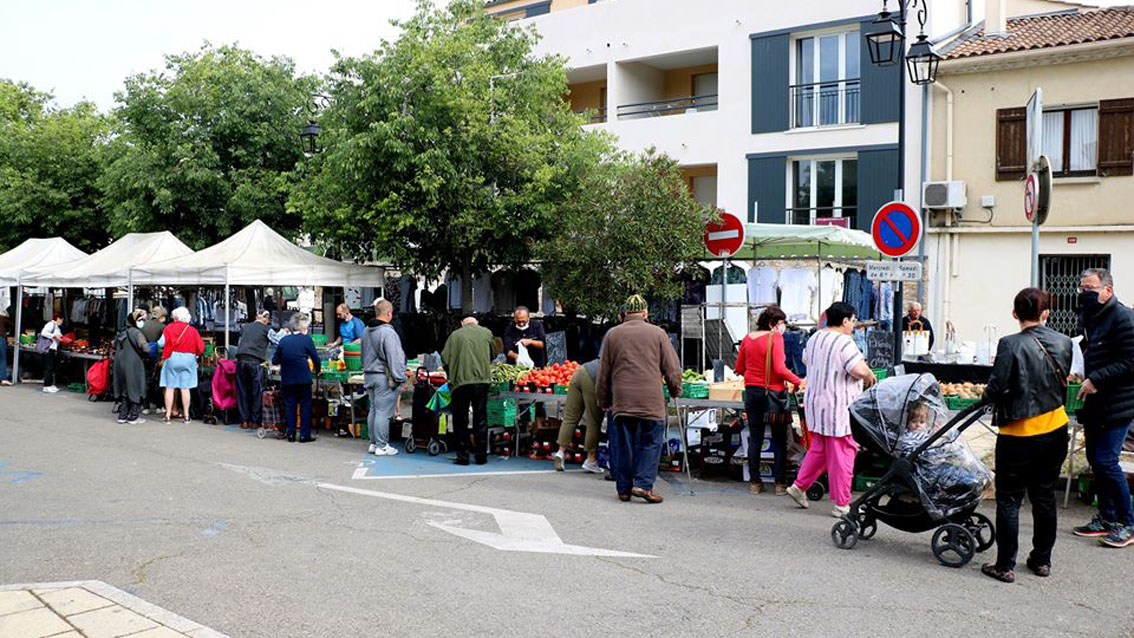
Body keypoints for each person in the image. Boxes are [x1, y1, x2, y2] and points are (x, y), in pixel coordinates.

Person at [976, 288, 1073, 582]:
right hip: (1055, 429)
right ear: (1046, 314)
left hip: (1017, 433)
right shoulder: (1065, 342)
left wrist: (987, 396)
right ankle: (1041, 560)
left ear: (1015, 313)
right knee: (1044, 497)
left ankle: (1005, 565)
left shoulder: (1009, 344)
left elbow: (997, 387)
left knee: (1009, 499)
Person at [786, 302, 876, 518]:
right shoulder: (844, 342)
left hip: (817, 404)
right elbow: (856, 368)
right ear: (845, 321)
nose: (853, 325)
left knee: (820, 450)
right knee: (843, 453)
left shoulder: (816, 337)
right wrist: (868, 375)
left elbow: (806, 359)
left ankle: (799, 487)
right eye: (853, 320)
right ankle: (842, 503)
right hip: (839, 407)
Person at [597, 294, 683, 504]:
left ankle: (624, 489)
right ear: (645, 313)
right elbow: (672, 368)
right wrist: (675, 390)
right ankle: (643, 485)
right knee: (650, 443)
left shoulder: (612, 335)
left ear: (625, 313)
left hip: (622, 401)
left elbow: (603, 372)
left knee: (622, 445)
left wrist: (603, 400)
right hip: (651, 401)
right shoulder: (658, 333)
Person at [1072, 268, 1134, 548]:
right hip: (1095, 402)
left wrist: (1096, 378)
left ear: (1108, 290)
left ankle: (1127, 523)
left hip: (1117, 403)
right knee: (1097, 462)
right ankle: (1106, 518)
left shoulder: (1124, 318)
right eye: (1082, 288)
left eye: (1091, 288)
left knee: (1108, 462)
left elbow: (1130, 362)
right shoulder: (1092, 316)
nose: (1085, 293)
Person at [734, 305, 803, 495]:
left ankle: (755, 483)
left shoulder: (748, 338)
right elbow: (780, 369)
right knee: (779, 439)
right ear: (773, 324)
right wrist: (799, 381)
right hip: (773, 395)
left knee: (755, 438)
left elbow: (739, 367)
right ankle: (780, 484)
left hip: (752, 393)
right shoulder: (776, 338)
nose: (784, 327)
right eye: (782, 323)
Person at [441, 317, 495, 465]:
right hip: (481, 381)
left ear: (462, 323)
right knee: (481, 418)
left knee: (460, 419)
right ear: (476, 322)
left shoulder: (455, 335)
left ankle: (463, 456)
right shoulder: (487, 333)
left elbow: (445, 358)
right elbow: (494, 354)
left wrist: (451, 373)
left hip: (461, 382)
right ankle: (481, 455)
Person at [362, 299, 407, 457]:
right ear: (389, 313)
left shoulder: (366, 330)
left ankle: (373, 443)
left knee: (373, 410)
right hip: (383, 377)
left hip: (369, 375)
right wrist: (401, 378)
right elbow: (394, 357)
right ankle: (382, 445)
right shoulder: (388, 332)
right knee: (383, 412)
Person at [272, 313, 321, 443]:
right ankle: (304, 435)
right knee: (305, 405)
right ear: (303, 327)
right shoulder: (307, 340)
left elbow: (275, 360)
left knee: (290, 406)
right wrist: (318, 369)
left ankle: (291, 434)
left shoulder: (283, 341)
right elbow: (315, 358)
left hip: (287, 378)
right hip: (303, 378)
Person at [552, 359, 604, 474]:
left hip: (580, 371)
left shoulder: (610, 350)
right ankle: (591, 460)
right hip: (593, 379)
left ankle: (560, 452)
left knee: (570, 417)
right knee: (593, 421)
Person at [160, 306, 205, 423]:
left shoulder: (169, 328)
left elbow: (161, 343)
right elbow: (201, 347)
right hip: (188, 359)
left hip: (172, 358)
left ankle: (168, 415)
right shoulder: (192, 330)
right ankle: (186, 416)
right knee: (185, 388)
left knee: (170, 387)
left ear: (175, 317)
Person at [235, 310, 272, 430]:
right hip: (255, 361)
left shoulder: (245, 327)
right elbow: (278, 340)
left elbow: (239, 343)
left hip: (241, 360)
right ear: (266, 319)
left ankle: (244, 420)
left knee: (242, 390)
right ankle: (255, 421)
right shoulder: (267, 329)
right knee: (257, 391)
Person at [114, 309, 151, 425]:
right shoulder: (137, 333)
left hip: (121, 363)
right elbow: (145, 348)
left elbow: (115, 345)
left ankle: (122, 415)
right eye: (140, 320)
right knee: (135, 387)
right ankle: (134, 416)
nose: (142, 322)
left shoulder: (122, 332)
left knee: (125, 389)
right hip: (134, 363)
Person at [39, 313, 65, 393]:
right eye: (61, 320)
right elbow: (43, 333)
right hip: (49, 348)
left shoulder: (56, 326)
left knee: (52, 367)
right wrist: (54, 336)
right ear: (58, 318)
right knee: (49, 367)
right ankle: (46, 386)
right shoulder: (50, 324)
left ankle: (50, 384)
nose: (62, 321)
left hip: (53, 348)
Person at [0, 309, 12, 386]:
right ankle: (3, 379)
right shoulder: (2, 317)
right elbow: (12, 324)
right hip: (0, 338)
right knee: (2, 359)